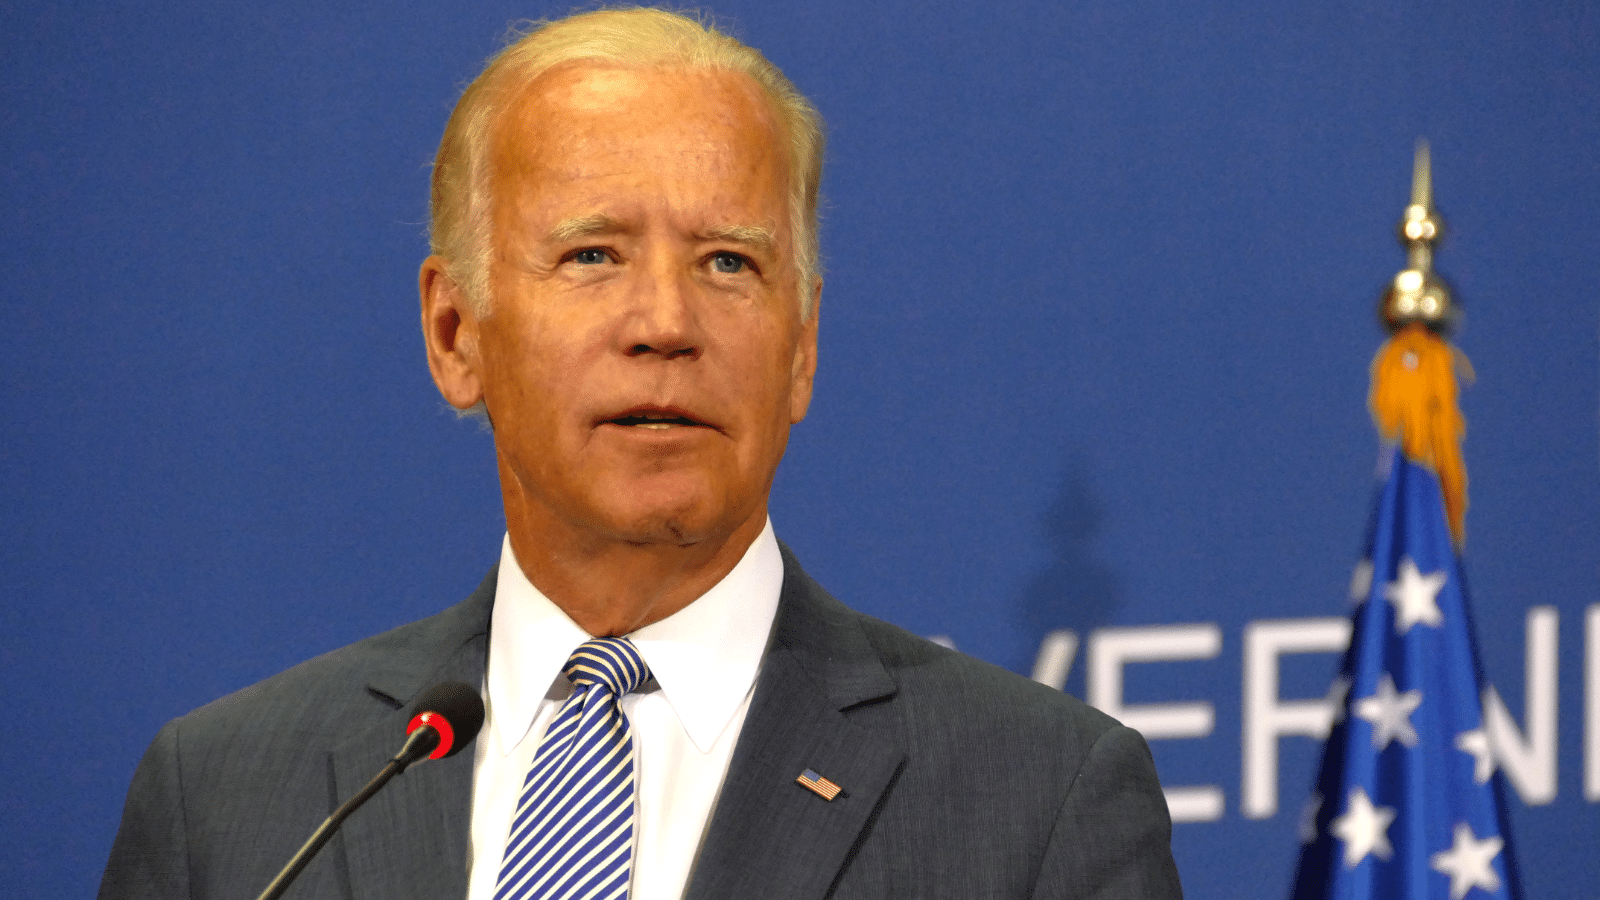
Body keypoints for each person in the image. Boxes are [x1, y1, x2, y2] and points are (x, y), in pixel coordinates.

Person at [100, 8, 1182, 899]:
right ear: (455, 334)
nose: (664, 321)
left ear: (801, 347)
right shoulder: (230, 801)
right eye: (591, 254)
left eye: (726, 262)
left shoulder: (1036, 802)